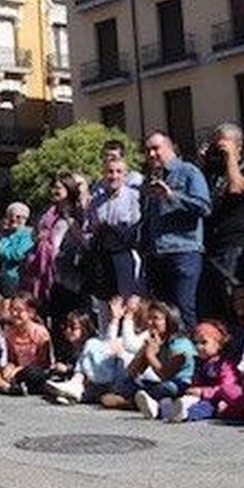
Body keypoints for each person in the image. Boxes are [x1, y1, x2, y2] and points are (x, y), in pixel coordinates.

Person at [140, 132, 212, 333]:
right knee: (161, 312)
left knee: (183, 308)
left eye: (156, 148)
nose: (151, 154)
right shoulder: (150, 179)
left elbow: (204, 207)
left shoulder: (189, 172)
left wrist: (171, 195)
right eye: (148, 150)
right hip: (156, 254)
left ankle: (188, 350)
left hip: (183, 251)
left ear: (170, 147)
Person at [198, 123, 244, 320]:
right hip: (209, 246)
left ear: (239, 146)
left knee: (232, 300)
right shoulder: (211, 171)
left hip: (235, 246)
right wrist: (203, 163)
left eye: (222, 146)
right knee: (210, 304)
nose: (218, 151)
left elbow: (237, 188)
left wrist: (230, 158)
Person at [149, 320, 243, 423]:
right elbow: (197, 381)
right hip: (197, 395)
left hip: (215, 398)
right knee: (179, 398)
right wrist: (193, 389)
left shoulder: (224, 364)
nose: (198, 347)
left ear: (219, 344)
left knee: (204, 407)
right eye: (195, 343)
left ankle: (184, 414)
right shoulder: (199, 362)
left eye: (204, 342)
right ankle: (158, 409)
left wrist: (203, 392)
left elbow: (227, 387)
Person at [29, 175, 88, 336]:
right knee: (54, 317)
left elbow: (83, 240)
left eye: (59, 188)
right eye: (54, 187)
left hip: (70, 270)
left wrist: (69, 219)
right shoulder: (48, 213)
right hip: (47, 271)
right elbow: (35, 234)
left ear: (69, 189)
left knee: (70, 316)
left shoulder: (78, 212)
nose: (55, 191)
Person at [84, 153, 142, 314]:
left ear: (125, 175)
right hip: (102, 258)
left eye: (118, 172)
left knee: (126, 305)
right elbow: (89, 229)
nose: (114, 176)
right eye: (110, 172)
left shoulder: (134, 197)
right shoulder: (95, 202)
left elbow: (136, 226)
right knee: (104, 307)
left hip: (124, 255)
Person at [0, 202, 35, 297]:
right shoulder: (5, 234)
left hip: (19, 277)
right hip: (3, 276)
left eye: (18, 216)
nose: (13, 219)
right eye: (10, 216)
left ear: (25, 218)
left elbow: (18, 254)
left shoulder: (28, 234)